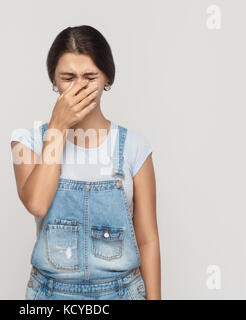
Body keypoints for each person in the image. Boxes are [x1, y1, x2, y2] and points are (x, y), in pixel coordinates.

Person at [10, 25, 160, 300]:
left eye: (90, 77)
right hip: (51, 294)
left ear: (106, 79)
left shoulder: (134, 147)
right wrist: (58, 126)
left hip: (122, 293)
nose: (79, 87)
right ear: (54, 80)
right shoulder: (27, 141)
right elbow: (37, 203)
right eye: (68, 77)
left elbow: (148, 240)